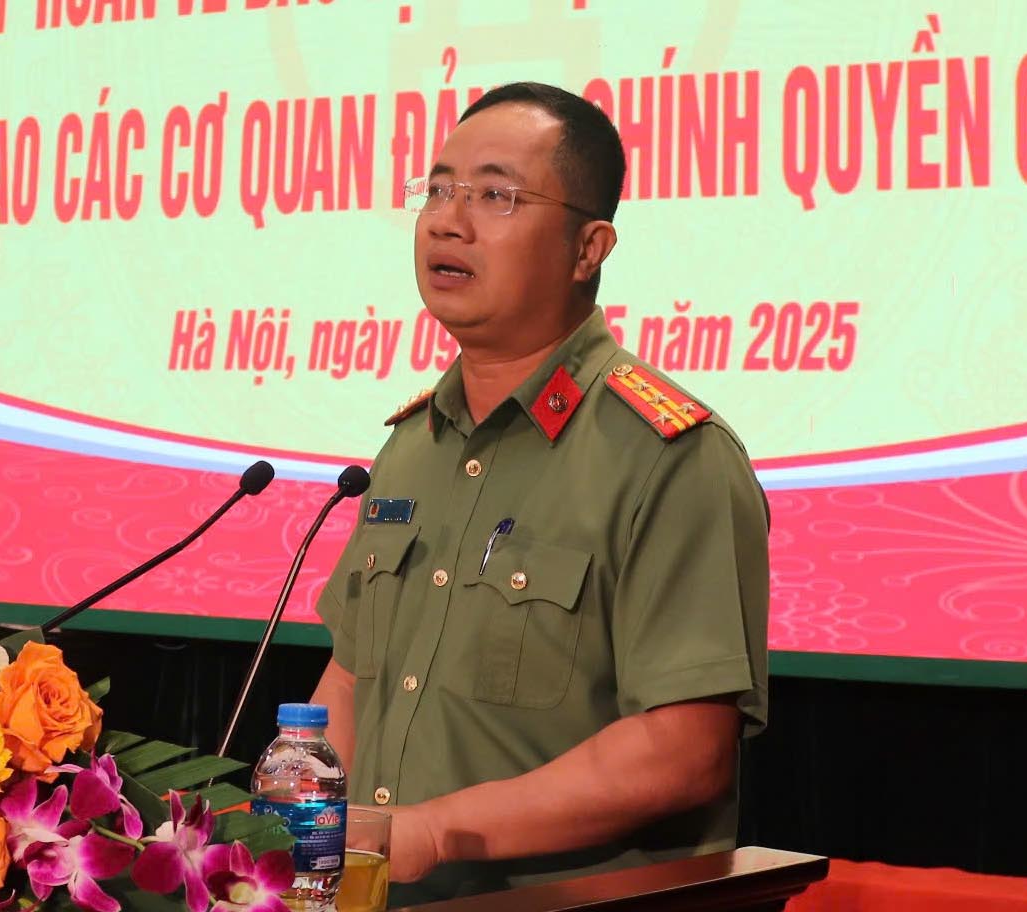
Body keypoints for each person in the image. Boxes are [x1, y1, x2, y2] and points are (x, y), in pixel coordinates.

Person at [310, 81, 769, 901]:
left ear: (589, 248)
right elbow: (351, 679)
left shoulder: (670, 457)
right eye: (439, 189)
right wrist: (295, 822)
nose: (449, 220)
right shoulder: (410, 448)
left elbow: (683, 752)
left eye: (495, 194)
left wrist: (436, 828)